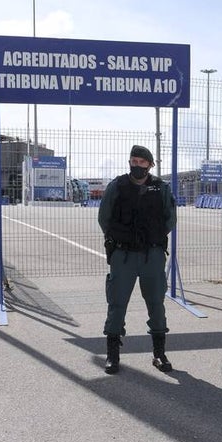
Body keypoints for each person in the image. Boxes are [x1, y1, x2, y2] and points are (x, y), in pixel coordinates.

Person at [98, 145, 177, 374]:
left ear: (150, 165)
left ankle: (159, 354)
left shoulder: (160, 188)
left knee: (156, 303)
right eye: (134, 161)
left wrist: (152, 237)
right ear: (130, 162)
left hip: (152, 255)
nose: (138, 166)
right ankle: (113, 355)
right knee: (117, 304)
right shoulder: (117, 186)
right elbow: (104, 218)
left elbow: (170, 220)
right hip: (123, 255)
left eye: (143, 162)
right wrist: (120, 240)